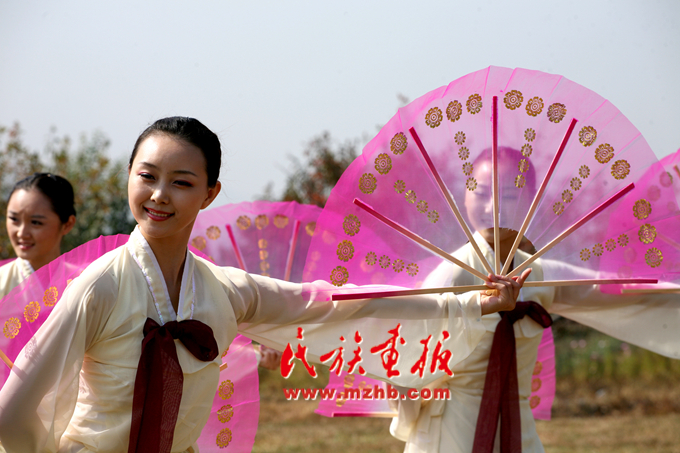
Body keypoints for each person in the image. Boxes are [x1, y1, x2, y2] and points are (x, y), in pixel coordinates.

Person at [0, 117, 531, 453]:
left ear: (210, 194)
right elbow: (13, 414)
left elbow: (330, 305)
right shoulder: (99, 287)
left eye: (181, 182)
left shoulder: (225, 291)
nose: (159, 195)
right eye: (147, 176)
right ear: (129, 176)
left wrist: (475, 304)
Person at [389, 148, 680, 453]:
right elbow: (405, 361)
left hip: (519, 431)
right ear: (464, 197)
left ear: (531, 202)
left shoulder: (539, 274)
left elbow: (611, 290)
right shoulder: (449, 277)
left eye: (509, 196)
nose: (493, 207)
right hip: (451, 432)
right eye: (482, 192)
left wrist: (671, 285)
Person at [0, 173, 76, 299]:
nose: (21, 233)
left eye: (35, 222)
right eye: (14, 219)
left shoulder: (84, 284)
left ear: (67, 224)